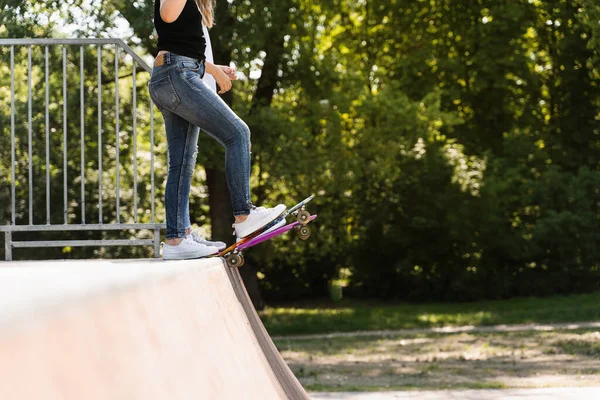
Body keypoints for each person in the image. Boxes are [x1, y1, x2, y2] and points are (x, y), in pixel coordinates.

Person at [149, 0, 286, 260]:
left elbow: (179, 44)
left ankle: (177, 238)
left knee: (181, 163)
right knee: (238, 133)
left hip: (170, 75)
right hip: (177, 74)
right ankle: (244, 215)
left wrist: (212, 69)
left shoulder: (191, 12)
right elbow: (167, 15)